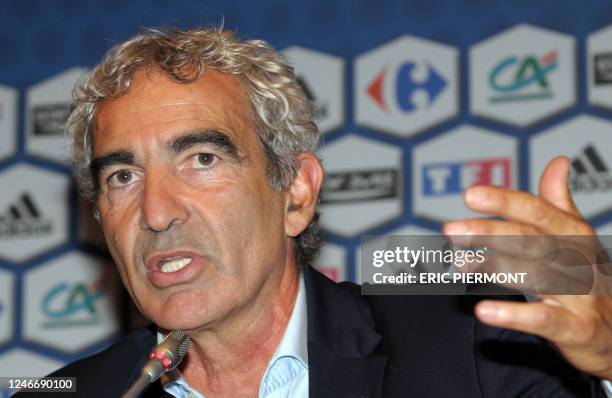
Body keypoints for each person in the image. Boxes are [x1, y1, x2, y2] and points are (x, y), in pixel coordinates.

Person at [17, 26, 612, 397]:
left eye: (201, 159)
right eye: (122, 176)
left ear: (296, 193)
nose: (156, 211)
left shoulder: (470, 347)